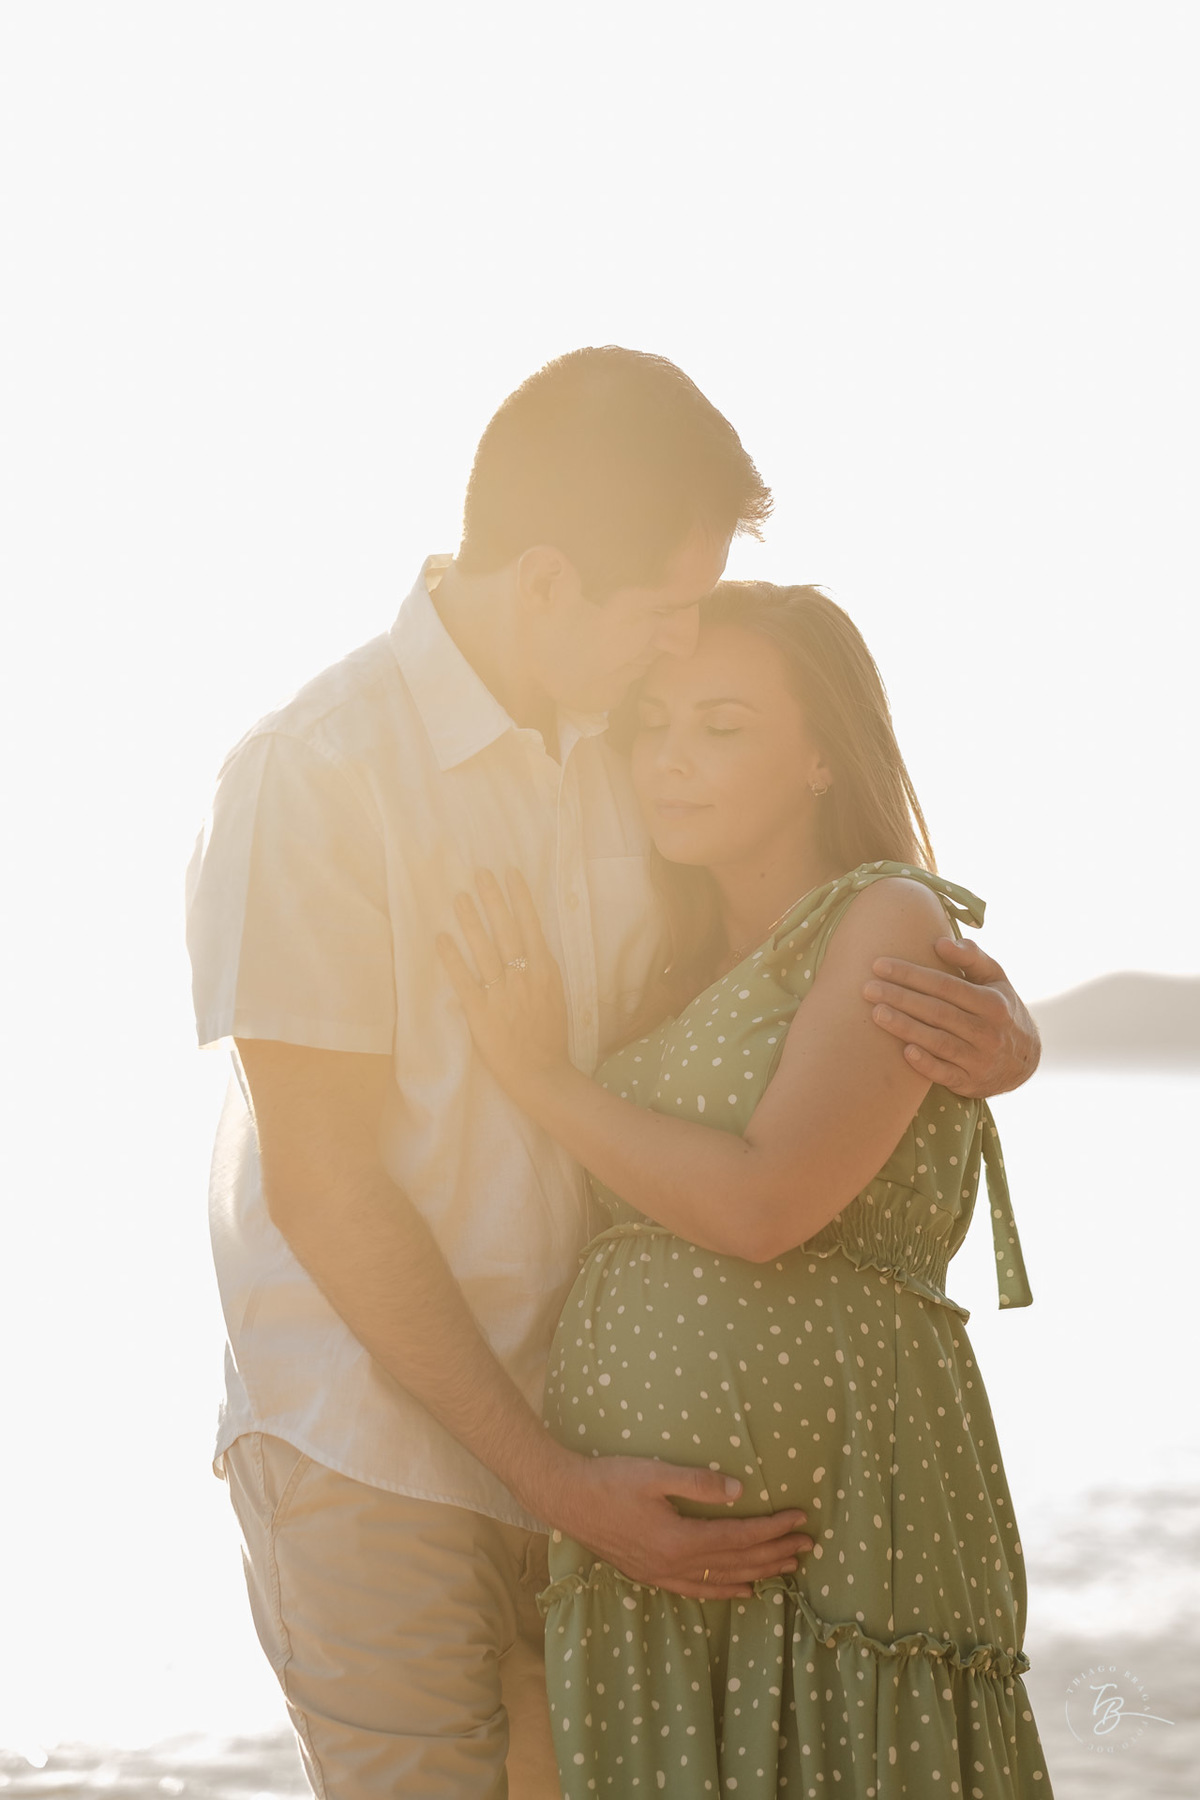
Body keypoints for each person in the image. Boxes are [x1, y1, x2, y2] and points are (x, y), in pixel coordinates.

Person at [186, 348, 1042, 1799]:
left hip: (602, 1476)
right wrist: (553, 1481)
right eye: (663, 615)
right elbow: (321, 1186)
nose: (678, 654)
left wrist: (989, 1024)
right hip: (383, 1460)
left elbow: (786, 959)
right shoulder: (312, 776)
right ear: (542, 585)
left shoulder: (622, 759)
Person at [438, 581, 1054, 1796]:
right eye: (652, 727)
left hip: (840, 1537)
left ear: (824, 754)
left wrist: (542, 1080)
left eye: (721, 728)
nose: (672, 762)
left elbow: (765, 1208)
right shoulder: (661, 951)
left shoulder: (881, 914)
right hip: (644, 1569)